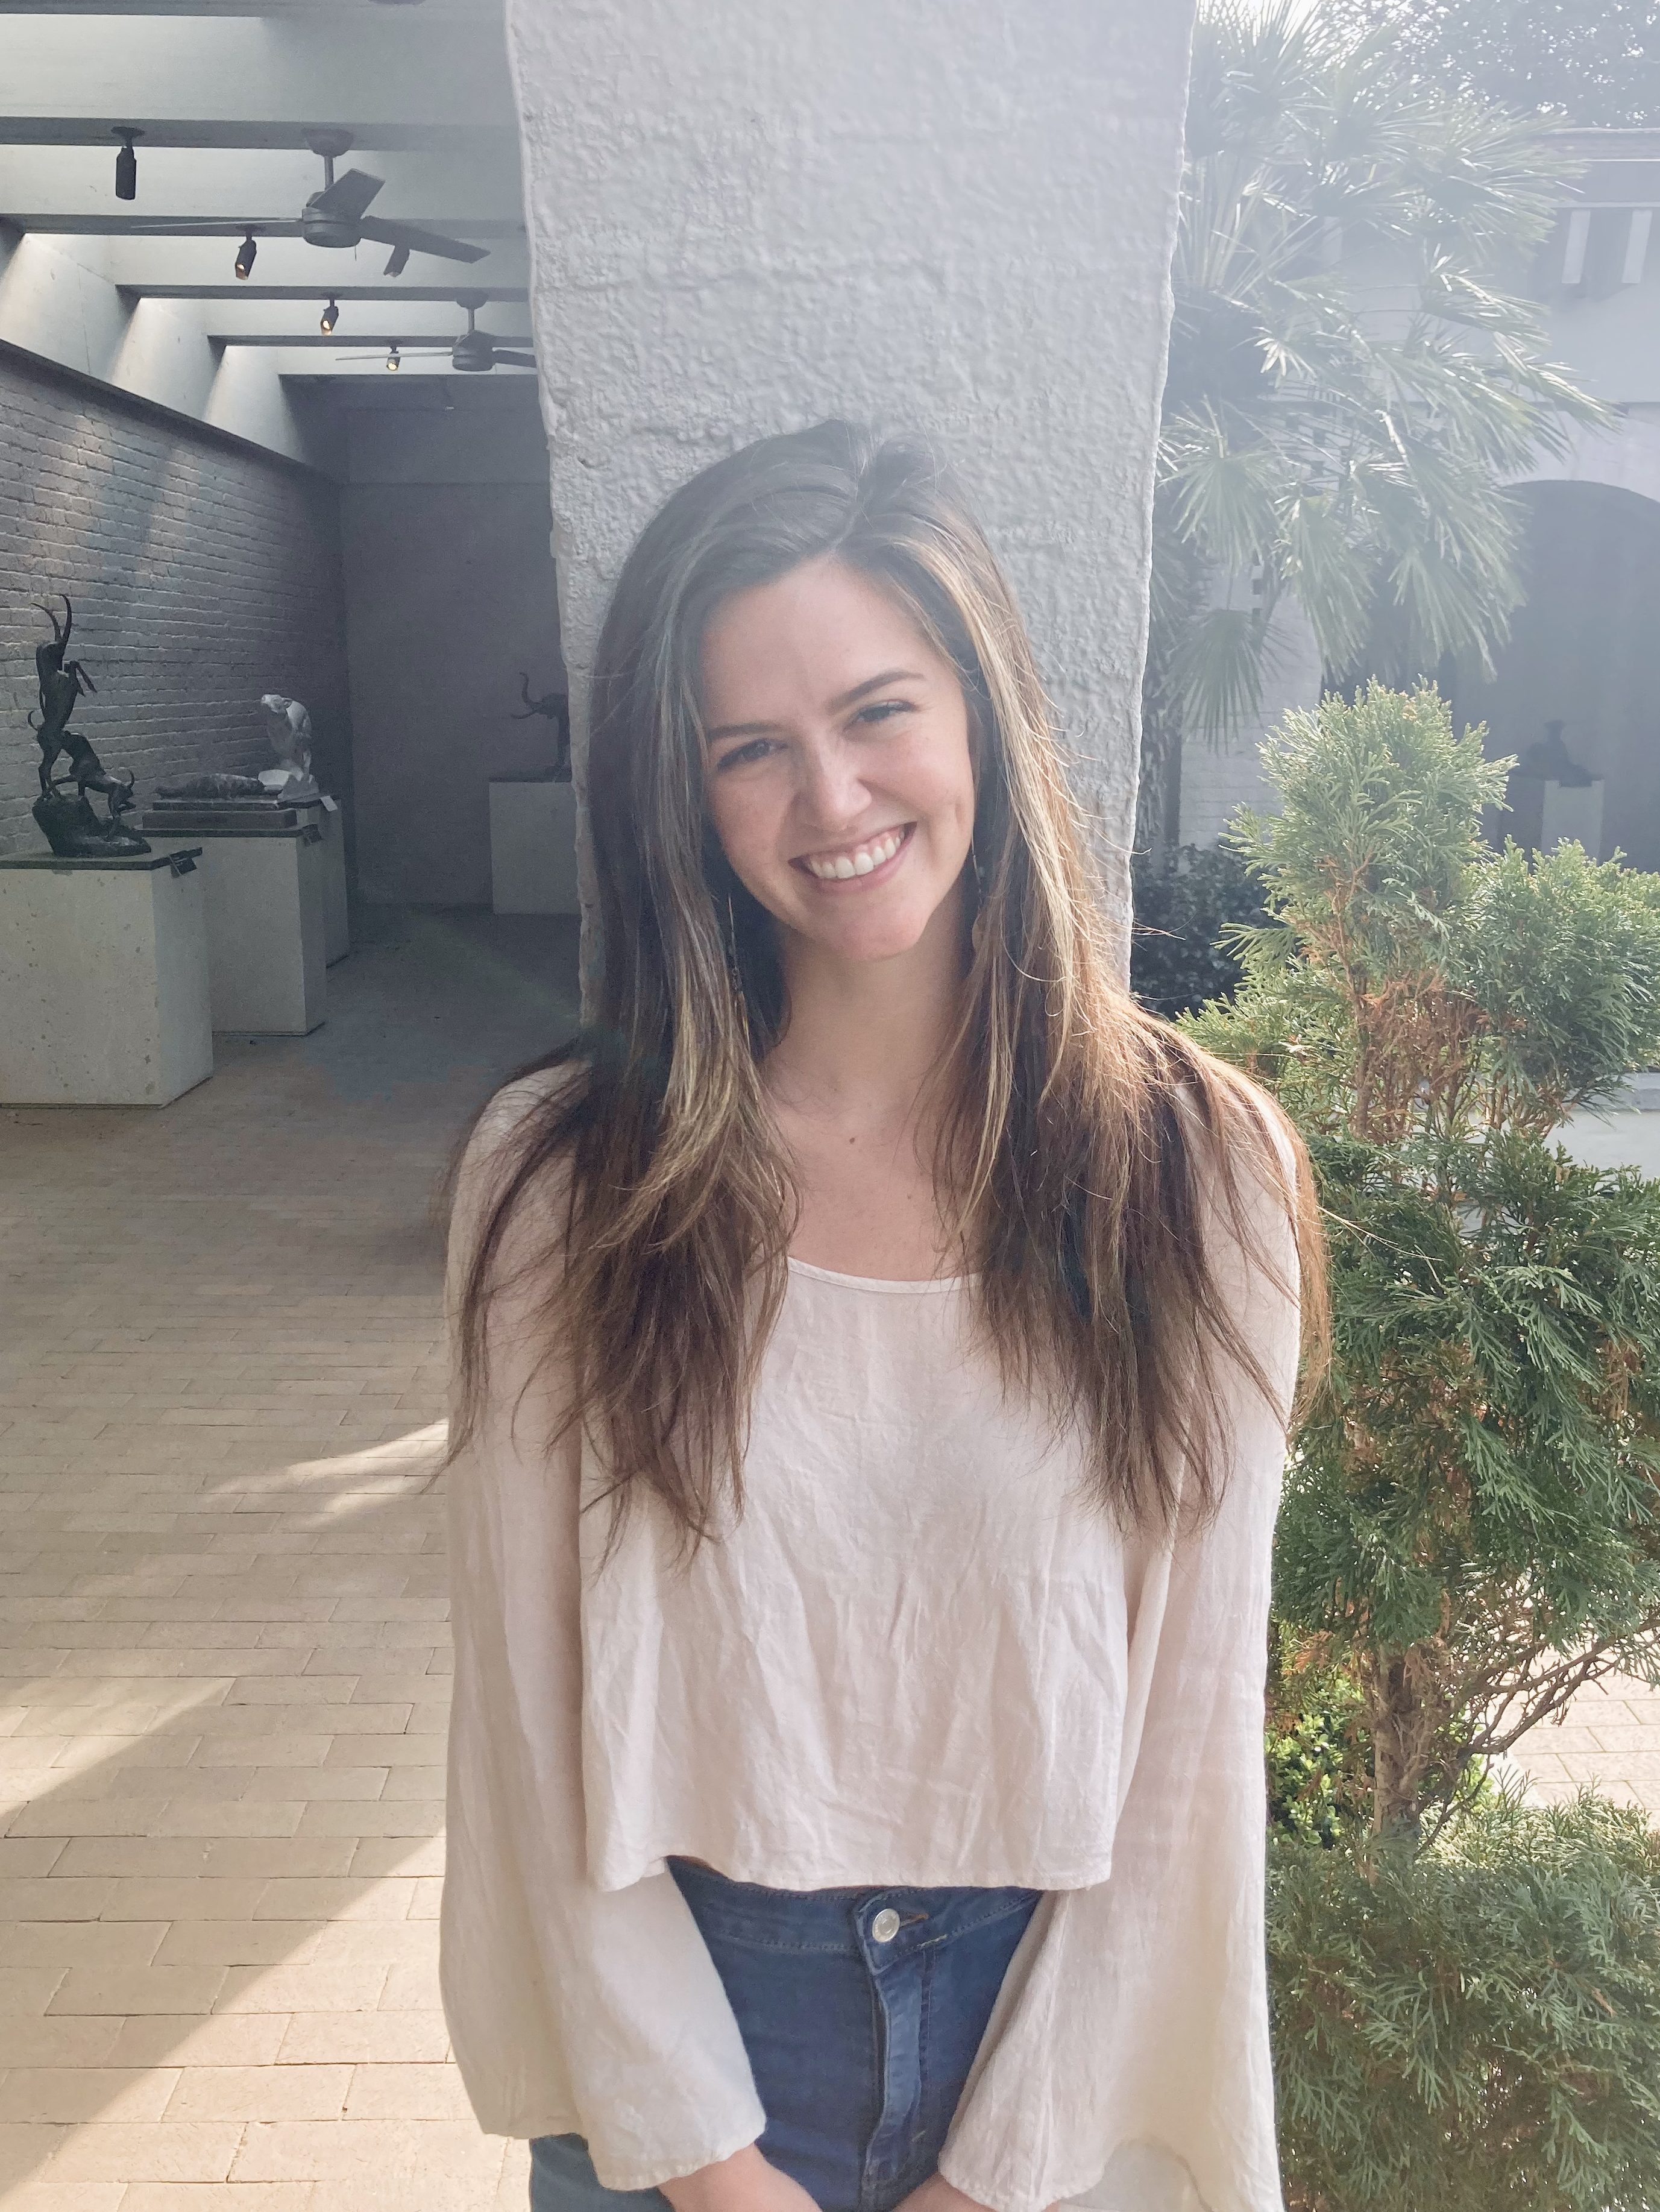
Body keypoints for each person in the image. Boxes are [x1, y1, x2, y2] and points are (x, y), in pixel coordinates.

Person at [439, 423, 1328, 2212]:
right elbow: (530, 1716)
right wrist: (711, 2167)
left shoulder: (1196, 1173)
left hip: (1059, 2061)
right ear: (681, 797)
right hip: (678, 2067)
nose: (831, 800)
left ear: (982, 713)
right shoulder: (564, 1181)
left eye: (877, 712)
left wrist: (989, 2179)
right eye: (749, 751)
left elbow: (1187, 1743)